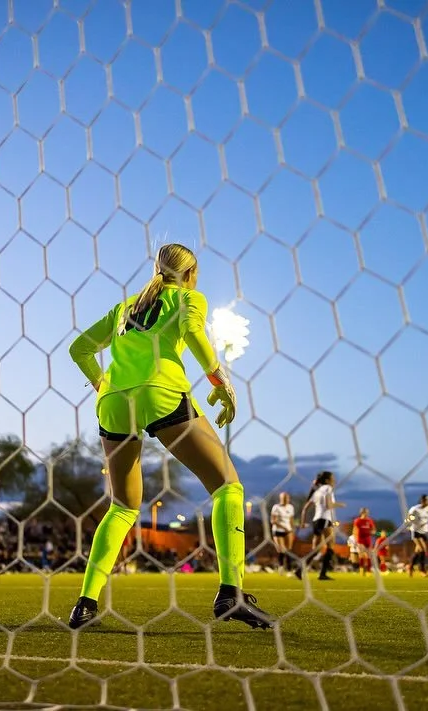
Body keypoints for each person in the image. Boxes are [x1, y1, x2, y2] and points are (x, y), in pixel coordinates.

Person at [66, 243, 272, 630]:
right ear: (191, 273)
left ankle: (85, 605)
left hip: (113, 402)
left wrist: (102, 385)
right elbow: (193, 332)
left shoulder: (125, 307)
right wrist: (221, 382)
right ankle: (231, 593)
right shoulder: (189, 298)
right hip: (160, 394)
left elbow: (79, 350)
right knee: (228, 486)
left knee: (123, 507)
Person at [297, 471, 344, 581]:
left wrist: (303, 523)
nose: (334, 480)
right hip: (325, 520)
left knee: (315, 549)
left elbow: (305, 509)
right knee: (331, 547)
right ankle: (323, 574)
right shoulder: (328, 488)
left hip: (316, 521)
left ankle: (299, 570)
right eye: (333, 478)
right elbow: (328, 505)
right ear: (327, 480)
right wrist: (340, 504)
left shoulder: (316, 491)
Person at [406, 495, 428, 577]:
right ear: (422, 501)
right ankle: (422, 570)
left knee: (418, 551)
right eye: (426, 500)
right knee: (423, 548)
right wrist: (409, 523)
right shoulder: (415, 508)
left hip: (424, 532)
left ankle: (410, 567)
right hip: (415, 530)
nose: (427, 501)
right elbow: (409, 517)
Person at [270, 492, 295, 574]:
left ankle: (289, 569)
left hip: (288, 531)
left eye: (287, 498)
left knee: (289, 549)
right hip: (278, 530)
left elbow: (291, 520)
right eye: (284, 498)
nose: (286, 499)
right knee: (282, 549)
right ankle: (281, 566)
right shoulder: (276, 507)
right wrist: (284, 527)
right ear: (281, 498)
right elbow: (273, 521)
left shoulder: (290, 507)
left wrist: (292, 529)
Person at [352, 508, 376, 576]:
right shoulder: (357, 520)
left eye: (368, 512)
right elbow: (355, 530)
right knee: (361, 554)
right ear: (362, 513)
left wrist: (372, 532)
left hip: (368, 539)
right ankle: (362, 570)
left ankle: (368, 571)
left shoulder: (370, 520)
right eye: (366, 512)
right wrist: (356, 540)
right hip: (360, 539)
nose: (367, 513)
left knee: (369, 555)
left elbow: (374, 529)